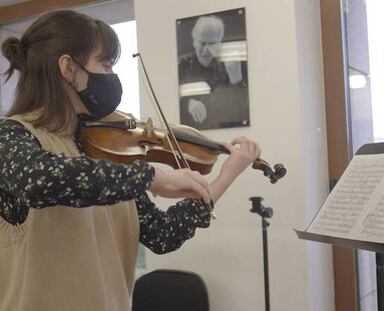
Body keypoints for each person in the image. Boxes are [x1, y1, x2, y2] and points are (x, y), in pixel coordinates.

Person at [0, 10, 261, 311]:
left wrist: (225, 176)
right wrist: (154, 177)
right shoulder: (12, 136)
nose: (111, 76)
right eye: (106, 64)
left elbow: (162, 234)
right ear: (69, 68)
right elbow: (38, 179)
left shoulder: (104, 150)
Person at [178, 15, 249, 130]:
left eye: (211, 44)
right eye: (202, 43)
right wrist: (187, 103)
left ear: (219, 44)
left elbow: (244, 111)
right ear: (194, 42)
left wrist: (237, 80)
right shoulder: (181, 65)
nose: (206, 50)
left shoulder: (231, 65)